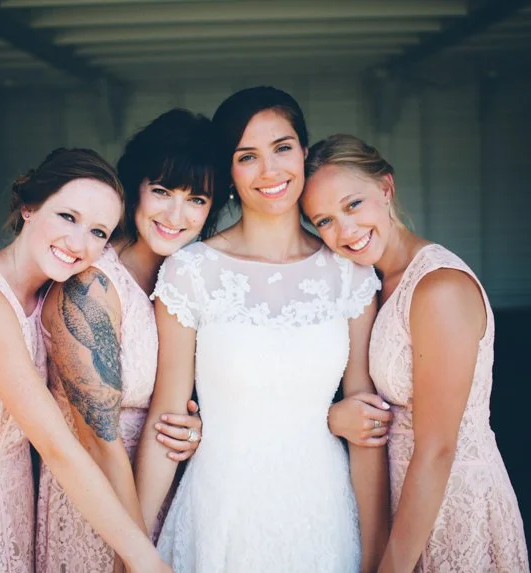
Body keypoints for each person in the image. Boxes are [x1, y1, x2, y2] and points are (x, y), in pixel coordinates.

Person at [135, 87, 388, 573]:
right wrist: (135, 550)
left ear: (304, 154)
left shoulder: (349, 273)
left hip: (323, 518)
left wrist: (378, 555)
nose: (270, 171)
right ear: (228, 173)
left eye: (282, 148)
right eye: (247, 156)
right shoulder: (190, 272)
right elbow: (165, 421)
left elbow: (368, 425)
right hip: (219, 514)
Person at [0, 148, 170, 573]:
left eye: (98, 232)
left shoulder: (44, 298)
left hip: (17, 521)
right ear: (29, 207)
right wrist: (143, 560)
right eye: (67, 217)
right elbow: (58, 447)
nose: (79, 243)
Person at [301, 134, 530, 572]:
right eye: (324, 221)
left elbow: (438, 448)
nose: (345, 231)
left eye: (353, 205)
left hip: (451, 507)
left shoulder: (437, 287)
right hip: (402, 504)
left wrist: (392, 567)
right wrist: (330, 416)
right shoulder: (369, 283)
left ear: (385, 190)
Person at [36, 109, 226, 573]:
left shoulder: (190, 280)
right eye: (161, 191)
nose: (174, 215)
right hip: (100, 504)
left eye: (195, 199)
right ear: (135, 187)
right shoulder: (91, 283)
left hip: (170, 497)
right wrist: (135, 553)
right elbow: (98, 439)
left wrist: (197, 429)